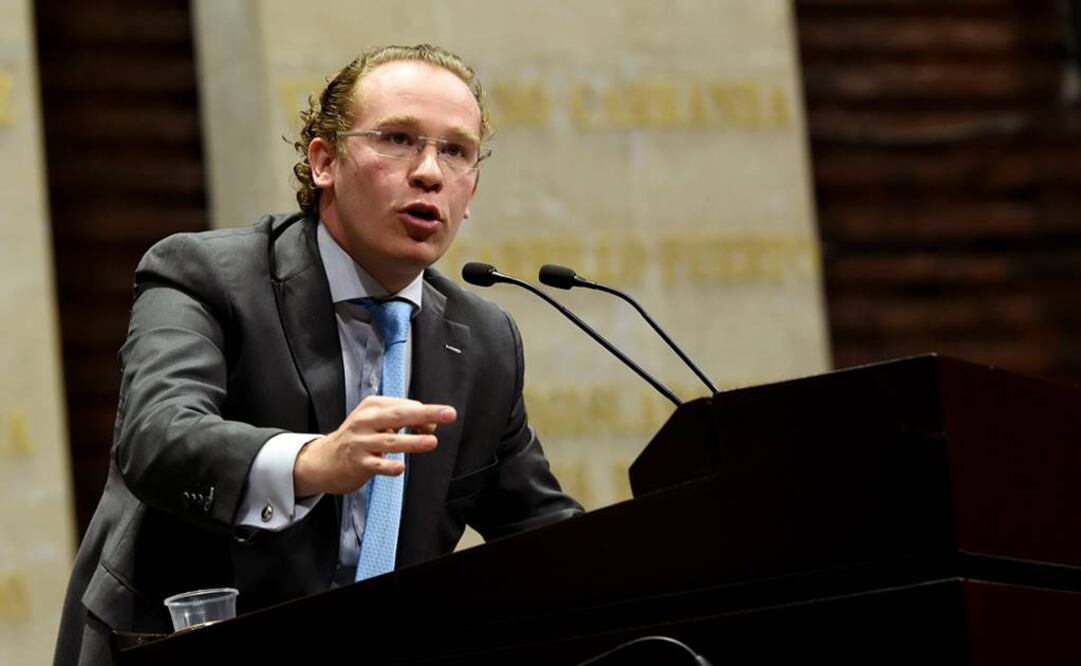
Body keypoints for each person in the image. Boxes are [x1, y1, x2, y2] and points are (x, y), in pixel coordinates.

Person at [54, 44, 581, 666]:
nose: (429, 173)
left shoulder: (483, 338)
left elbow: (547, 537)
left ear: (470, 192)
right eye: (398, 139)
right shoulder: (205, 276)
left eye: (455, 151)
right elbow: (157, 439)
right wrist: (311, 459)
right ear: (325, 162)